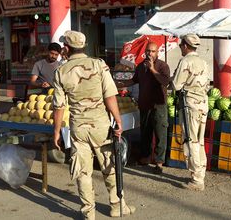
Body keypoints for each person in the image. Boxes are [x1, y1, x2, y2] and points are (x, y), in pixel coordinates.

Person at [53, 30, 135, 220]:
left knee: (82, 171)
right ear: (83, 46)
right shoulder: (99, 65)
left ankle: (88, 213)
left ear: (66, 48)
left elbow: (59, 106)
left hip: (78, 128)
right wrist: (119, 120)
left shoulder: (61, 71)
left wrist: (56, 131)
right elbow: (110, 95)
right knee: (109, 166)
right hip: (101, 126)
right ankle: (116, 206)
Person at [116, 42, 170, 174]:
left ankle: (159, 162)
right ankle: (145, 157)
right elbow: (134, 80)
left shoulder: (163, 66)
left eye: (152, 51)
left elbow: (165, 82)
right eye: (148, 51)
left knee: (160, 133)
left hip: (158, 105)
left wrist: (152, 69)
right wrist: (121, 84)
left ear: (157, 53)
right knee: (145, 132)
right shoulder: (141, 66)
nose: (149, 54)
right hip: (144, 104)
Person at [171, 34, 210, 191]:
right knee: (199, 140)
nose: (180, 47)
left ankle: (197, 179)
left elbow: (176, 85)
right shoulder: (203, 62)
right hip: (203, 104)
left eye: (181, 45)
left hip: (190, 106)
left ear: (185, 46)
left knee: (191, 140)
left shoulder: (185, 61)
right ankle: (201, 173)